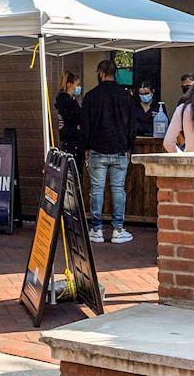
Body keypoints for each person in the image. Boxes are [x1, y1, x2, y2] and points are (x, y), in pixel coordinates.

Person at [80, 59, 139, 244]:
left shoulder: (91, 96)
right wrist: (129, 146)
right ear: (116, 73)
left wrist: (86, 147)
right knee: (118, 190)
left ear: (100, 73)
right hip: (120, 149)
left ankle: (96, 229)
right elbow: (133, 125)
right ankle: (118, 229)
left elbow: (85, 125)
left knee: (96, 190)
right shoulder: (126, 96)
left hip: (97, 149)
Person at [54, 72, 85, 160]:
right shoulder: (68, 102)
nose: (79, 87)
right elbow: (78, 118)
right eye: (77, 85)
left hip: (67, 140)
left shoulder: (64, 101)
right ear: (69, 85)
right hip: (72, 141)